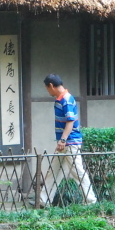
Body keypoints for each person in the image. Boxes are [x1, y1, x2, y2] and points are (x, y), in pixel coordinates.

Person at [37, 74, 97, 205]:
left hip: (69, 142)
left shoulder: (66, 99)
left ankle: (91, 201)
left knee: (77, 171)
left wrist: (63, 140)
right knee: (53, 171)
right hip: (64, 143)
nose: (48, 91)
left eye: (47, 88)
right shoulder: (61, 99)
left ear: (51, 86)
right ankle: (43, 200)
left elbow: (70, 121)